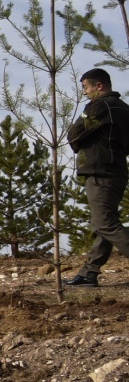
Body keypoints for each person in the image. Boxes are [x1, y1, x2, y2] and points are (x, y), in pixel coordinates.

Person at [67, 68, 129, 286]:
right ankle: (89, 272)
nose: (84, 92)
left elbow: (74, 133)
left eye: (86, 87)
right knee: (101, 223)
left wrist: (78, 142)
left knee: (105, 223)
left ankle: (88, 272)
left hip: (100, 171)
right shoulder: (124, 108)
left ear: (99, 86)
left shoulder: (99, 105)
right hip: (117, 171)